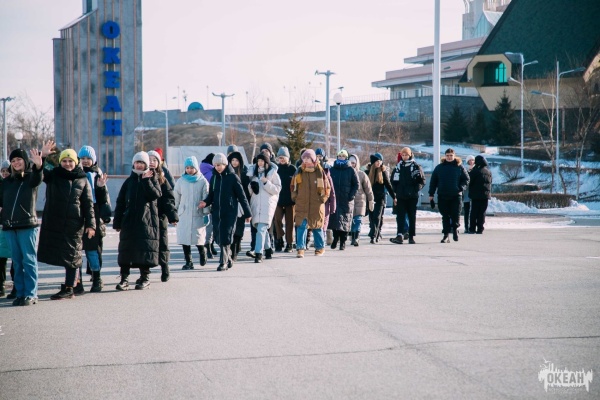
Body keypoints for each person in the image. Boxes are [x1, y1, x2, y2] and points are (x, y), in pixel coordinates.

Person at [37, 148, 96, 300]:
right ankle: (73, 285)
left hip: (74, 224)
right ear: (60, 162)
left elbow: (88, 204)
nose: (67, 164)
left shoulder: (82, 179)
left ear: (76, 162)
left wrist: (91, 225)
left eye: (70, 161)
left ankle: (70, 288)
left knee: (72, 255)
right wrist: (42, 158)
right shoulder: (54, 175)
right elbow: (39, 174)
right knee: (63, 254)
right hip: (55, 222)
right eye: (64, 161)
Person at [0, 144, 49, 306]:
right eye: (13, 160)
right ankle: (20, 293)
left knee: (28, 260)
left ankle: (31, 293)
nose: (16, 163)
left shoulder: (30, 178)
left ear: (25, 161)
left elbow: (38, 176)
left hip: (27, 225)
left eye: (19, 159)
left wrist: (40, 163)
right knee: (17, 261)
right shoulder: (6, 182)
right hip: (9, 226)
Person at [113, 151, 161, 290]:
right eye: (137, 162)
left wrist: (146, 181)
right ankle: (124, 279)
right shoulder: (129, 181)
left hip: (147, 222)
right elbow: (120, 202)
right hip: (129, 222)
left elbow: (155, 195)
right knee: (126, 251)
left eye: (142, 163)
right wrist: (117, 222)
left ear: (146, 165)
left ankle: (145, 278)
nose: (139, 165)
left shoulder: (152, 179)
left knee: (144, 250)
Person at [199, 153, 251, 271]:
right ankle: (229, 258)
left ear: (225, 164)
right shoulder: (214, 178)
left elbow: (242, 197)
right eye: (215, 165)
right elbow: (211, 195)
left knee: (225, 236)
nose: (217, 167)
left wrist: (248, 213)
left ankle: (223, 262)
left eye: (219, 165)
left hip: (229, 212)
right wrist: (205, 202)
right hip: (216, 212)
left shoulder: (233, 177)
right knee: (218, 237)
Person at [78, 145, 111, 292]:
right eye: (82, 158)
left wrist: (101, 187)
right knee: (76, 250)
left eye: (88, 158)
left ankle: (96, 277)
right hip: (77, 215)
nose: (85, 161)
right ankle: (76, 280)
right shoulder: (75, 174)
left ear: (94, 160)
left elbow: (104, 199)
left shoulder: (97, 174)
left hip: (93, 215)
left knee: (92, 250)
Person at [291, 149, 331, 258]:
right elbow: (293, 186)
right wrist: (295, 197)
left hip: (316, 204)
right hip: (302, 203)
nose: (306, 160)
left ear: (313, 159)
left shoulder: (319, 171)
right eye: (304, 158)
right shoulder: (299, 171)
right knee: (301, 226)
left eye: (308, 158)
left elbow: (327, 187)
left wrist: (323, 199)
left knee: (317, 226)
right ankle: (300, 248)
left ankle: (320, 247)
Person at [174, 156, 210, 270]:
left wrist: (206, 214)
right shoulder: (181, 181)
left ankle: (202, 252)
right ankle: (188, 262)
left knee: (198, 238)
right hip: (184, 214)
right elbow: (176, 198)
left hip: (197, 213)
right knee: (185, 240)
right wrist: (174, 213)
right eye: (187, 168)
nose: (189, 170)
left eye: (192, 168)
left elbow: (205, 198)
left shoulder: (202, 181)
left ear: (196, 168)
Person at [148, 150, 179, 282]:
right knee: (146, 244)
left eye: (154, 160)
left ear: (159, 162)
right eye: (149, 160)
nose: (151, 162)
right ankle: (145, 272)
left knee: (162, 243)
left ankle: (165, 267)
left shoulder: (162, 179)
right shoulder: (140, 177)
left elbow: (168, 199)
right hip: (145, 217)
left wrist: (172, 216)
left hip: (160, 217)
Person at [428, 148, 470, 243]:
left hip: (456, 195)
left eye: (451, 155)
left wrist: (461, 188)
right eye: (447, 155)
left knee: (455, 214)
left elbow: (466, 179)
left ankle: (455, 230)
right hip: (443, 195)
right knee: (445, 215)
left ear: (454, 156)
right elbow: (433, 181)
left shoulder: (459, 167)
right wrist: (431, 194)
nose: (449, 157)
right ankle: (446, 235)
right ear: (445, 156)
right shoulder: (439, 167)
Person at [248, 153, 281, 263]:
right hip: (256, 204)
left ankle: (258, 254)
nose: (260, 163)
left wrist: (266, 182)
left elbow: (277, 189)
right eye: (258, 161)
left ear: (266, 162)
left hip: (267, 204)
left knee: (261, 228)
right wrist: (252, 187)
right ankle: (268, 250)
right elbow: (250, 191)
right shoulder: (253, 173)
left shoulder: (273, 173)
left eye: (262, 161)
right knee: (261, 229)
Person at [390, 147, 425, 244]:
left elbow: (422, 180)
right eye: (403, 155)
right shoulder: (398, 166)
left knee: (411, 216)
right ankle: (399, 235)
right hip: (401, 195)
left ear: (410, 155)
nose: (404, 157)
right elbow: (393, 180)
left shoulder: (416, 166)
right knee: (400, 216)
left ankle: (411, 236)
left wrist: (415, 189)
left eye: (406, 155)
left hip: (412, 196)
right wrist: (396, 190)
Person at [329, 150, 359, 251]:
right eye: (340, 156)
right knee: (335, 221)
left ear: (346, 157)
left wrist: (351, 195)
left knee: (345, 221)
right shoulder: (332, 169)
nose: (341, 157)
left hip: (346, 200)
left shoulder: (350, 170)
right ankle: (335, 238)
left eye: (343, 156)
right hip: (335, 199)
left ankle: (343, 241)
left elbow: (356, 184)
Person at [365, 152, 395, 244]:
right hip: (370, 198)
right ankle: (376, 233)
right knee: (371, 218)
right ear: (373, 162)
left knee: (377, 217)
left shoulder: (383, 172)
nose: (379, 163)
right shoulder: (367, 172)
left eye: (380, 161)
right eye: (377, 161)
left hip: (380, 198)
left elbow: (388, 185)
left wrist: (394, 197)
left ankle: (373, 236)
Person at [227, 151, 250, 261]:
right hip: (230, 204)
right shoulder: (227, 173)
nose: (234, 162)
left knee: (239, 228)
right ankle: (232, 250)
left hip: (241, 204)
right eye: (232, 160)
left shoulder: (244, 173)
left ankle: (235, 249)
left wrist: (247, 208)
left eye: (236, 160)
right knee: (231, 228)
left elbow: (247, 192)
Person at [273, 146, 296, 253]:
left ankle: (289, 243)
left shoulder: (293, 169)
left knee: (289, 223)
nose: (281, 159)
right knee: (277, 220)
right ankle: (279, 239)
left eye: (283, 157)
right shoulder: (275, 169)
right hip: (277, 200)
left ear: (288, 158)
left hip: (290, 201)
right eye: (280, 158)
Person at [348, 154, 373, 247]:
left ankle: (356, 238)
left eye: (353, 163)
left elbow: (368, 189)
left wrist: (371, 200)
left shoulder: (362, 174)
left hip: (360, 200)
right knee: (351, 220)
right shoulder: (346, 173)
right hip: (349, 201)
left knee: (358, 220)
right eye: (350, 162)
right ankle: (352, 236)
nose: (352, 164)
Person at [468, 155, 492, 234]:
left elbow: (469, 182)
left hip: (475, 195)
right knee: (482, 212)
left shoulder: (475, 171)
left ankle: (472, 228)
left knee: (474, 212)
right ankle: (480, 228)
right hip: (485, 195)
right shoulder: (488, 172)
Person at [200, 153, 217, 259]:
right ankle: (208, 245)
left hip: (202, 202)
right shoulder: (211, 173)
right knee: (211, 226)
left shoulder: (201, 170)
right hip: (210, 202)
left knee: (207, 226)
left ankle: (209, 245)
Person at [0, 160, 12, 297]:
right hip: (2, 224)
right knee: (2, 256)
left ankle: (16, 284)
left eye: (7, 171)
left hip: (13, 223)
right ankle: (1, 284)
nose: (5, 173)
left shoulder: (14, 183)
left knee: (15, 256)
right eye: (3, 171)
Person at [463, 155, 475, 233]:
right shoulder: (464, 170)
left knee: (473, 211)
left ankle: (472, 226)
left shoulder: (476, 170)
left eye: (472, 160)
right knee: (466, 211)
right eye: (469, 160)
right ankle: (466, 227)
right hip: (466, 193)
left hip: (474, 193)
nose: (471, 162)